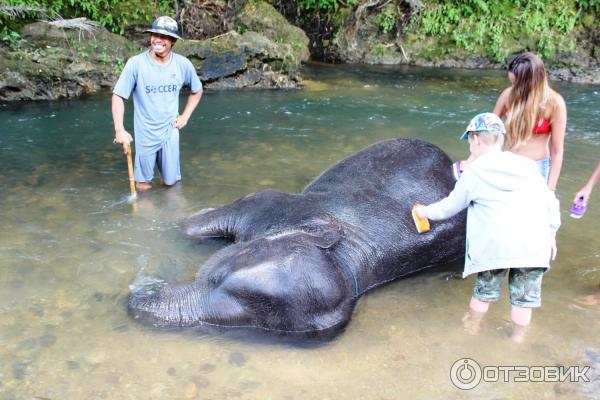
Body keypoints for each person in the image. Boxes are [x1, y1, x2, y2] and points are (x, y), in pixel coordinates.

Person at [415, 113, 561, 340]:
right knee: (524, 300)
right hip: (534, 245)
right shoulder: (529, 166)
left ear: (476, 140)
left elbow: (449, 207)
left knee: (484, 293)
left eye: (470, 140)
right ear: (501, 139)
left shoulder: (474, 172)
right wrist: (551, 235)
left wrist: (424, 211)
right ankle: (518, 339)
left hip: (496, 246)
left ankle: (472, 328)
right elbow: (550, 203)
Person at [112, 16, 203, 192]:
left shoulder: (182, 65)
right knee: (143, 185)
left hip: (170, 131)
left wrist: (185, 116)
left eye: (165, 36)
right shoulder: (136, 64)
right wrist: (119, 130)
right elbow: (118, 96)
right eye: (155, 34)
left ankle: (167, 215)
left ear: (173, 41)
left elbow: (197, 90)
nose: (158, 39)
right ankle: (146, 218)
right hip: (145, 133)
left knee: (171, 183)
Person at [456, 52, 567, 191]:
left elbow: (557, 151)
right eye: (512, 82)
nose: (513, 87)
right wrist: (471, 160)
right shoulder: (509, 95)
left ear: (531, 82)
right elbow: (486, 129)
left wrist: (550, 188)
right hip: (507, 164)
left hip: (536, 169)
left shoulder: (555, 103)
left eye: (517, 83)